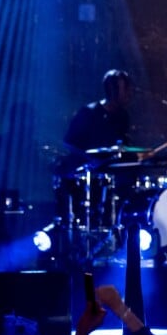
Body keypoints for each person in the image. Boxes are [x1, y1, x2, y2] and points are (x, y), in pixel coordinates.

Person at [54, 69, 135, 229]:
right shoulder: (89, 113)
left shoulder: (122, 116)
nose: (129, 94)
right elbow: (68, 142)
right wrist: (90, 160)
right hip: (87, 176)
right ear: (113, 90)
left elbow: (120, 146)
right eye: (125, 89)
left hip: (110, 176)